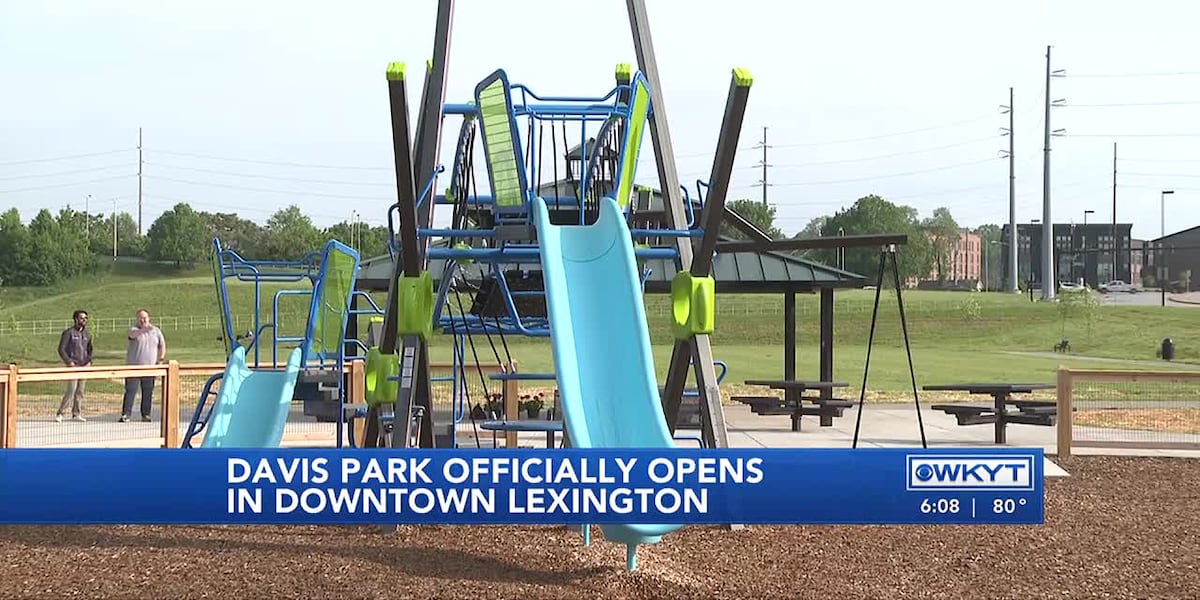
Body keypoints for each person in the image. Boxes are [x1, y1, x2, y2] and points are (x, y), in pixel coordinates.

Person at [121, 308, 167, 423]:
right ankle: (126, 414)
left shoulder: (156, 331)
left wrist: (160, 359)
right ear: (137, 319)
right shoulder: (134, 329)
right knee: (130, 391)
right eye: (141, 318)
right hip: (133, 367)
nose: (143, 320)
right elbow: (132, 335)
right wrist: (144, 330)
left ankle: (146, 415)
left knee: (148, 392)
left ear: (149, 318)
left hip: (150, 368)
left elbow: (162, 345)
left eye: (145, 318)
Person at [55, 309, 93, 423]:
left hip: (84, 365)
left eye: (86, 318)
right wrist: (69, 361)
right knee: (71, 390)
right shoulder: (68, 333)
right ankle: (60, 413)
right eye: (82, 318)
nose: (84, 320)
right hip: (73, 365)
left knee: (80, 391)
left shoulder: (87, 334)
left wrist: (89, 361)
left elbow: (90, 349)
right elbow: (61, 349)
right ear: (76, 319)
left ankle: (76, 413)